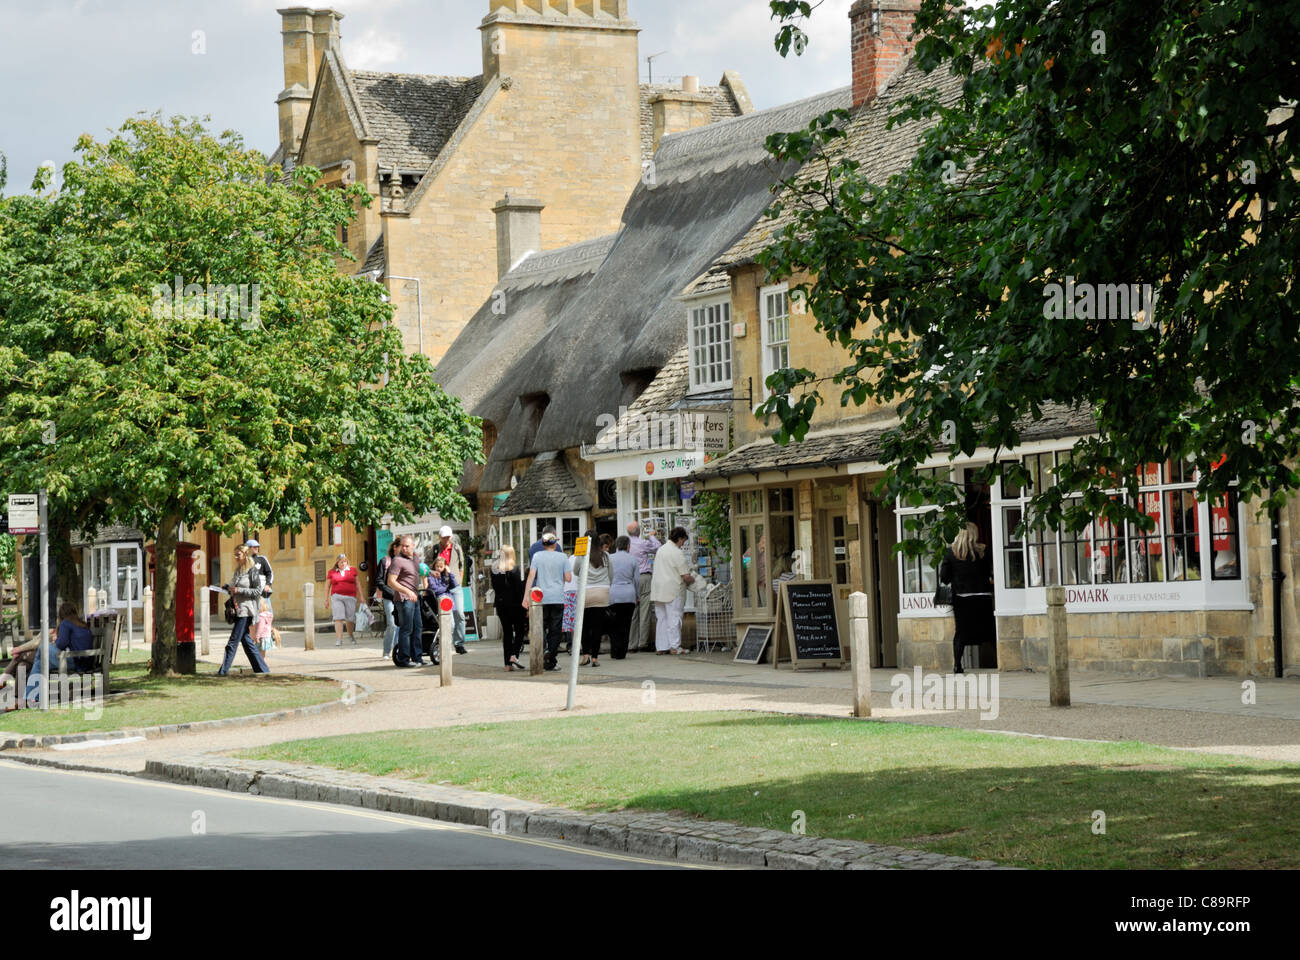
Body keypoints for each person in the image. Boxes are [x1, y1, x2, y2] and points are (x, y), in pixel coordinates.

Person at [4, 603, 95, 707]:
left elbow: (61, 644)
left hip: (75, 661)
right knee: (41, 662)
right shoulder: (82, 624)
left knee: (43, 647)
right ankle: (29, 699)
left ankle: (28, 697)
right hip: (85, 662)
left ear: (61, 615)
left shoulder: (66, 623)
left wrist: (55, 640)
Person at [938, 522, 995, 675]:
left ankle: (958, 665)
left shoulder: (951, 553)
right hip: (983, 596)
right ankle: (998, 661)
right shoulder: (984, 551)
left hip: (962, 598)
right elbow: (992, 572)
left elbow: (944, 578)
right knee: (989, 629)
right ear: (974, 534)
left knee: (961, 632)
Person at [218, 544, 271, 676]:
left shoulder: (252, 571)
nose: (235, 557)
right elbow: (233, 587)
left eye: (238, 554)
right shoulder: (238, 570)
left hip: (247, 610)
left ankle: (222, 672)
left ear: (245, 555)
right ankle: (263, 669)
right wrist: (227, 588)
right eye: (235, 554)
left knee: (232, 642)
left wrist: (239, 590)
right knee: (246, 642)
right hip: (238, 609)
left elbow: (258, 590)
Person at [523, 532, 571, 671]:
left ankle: (544, 651)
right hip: (557, 597)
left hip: (541, 597)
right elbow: (568, 578)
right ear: (555, 543)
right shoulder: (563, 557)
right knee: (555, 630)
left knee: (541, 627)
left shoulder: (537, 556)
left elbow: (531, 577)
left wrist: (526, 596)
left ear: (543, 544)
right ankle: (552, 657)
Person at [649, 527, 695, 656]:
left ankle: (661, 646)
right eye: (683, 541)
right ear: (680, 539)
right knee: (674, 618)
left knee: (662, 619)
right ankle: (675, 646)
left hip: (658, 589)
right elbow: (685, 575)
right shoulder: (677, 552)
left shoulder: (661, 550)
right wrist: (694, 580)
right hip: (673, 589)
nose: (683, 544)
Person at [387, 535, 427, 668]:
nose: (404, 548)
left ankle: (418, 658)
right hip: (403, 599)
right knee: (406, 629)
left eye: (407, 546)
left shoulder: (415, 557)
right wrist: (407, 591)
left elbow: (418, 573)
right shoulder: (397, 560)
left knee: (418, 628)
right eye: (402, 545)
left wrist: (431, 573)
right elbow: (391, 582)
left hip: (414, 599)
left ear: (413, 546)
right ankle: (404, 659)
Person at [573, 531, 611, 668]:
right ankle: (595, 658)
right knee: (597, 627)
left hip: (586, 592)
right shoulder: (605, 556)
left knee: (584, 626)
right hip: (602, 592)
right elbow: (611, 574)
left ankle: (586, 655)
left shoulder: (582, 555)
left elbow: (576, 571)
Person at [627, 521, 662, 653]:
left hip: (630, 578)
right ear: (639, 531)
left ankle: (632, 644)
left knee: (633, 613)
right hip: (643, 577)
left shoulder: (625, 544)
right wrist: (652, 535)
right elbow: (658, 547)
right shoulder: (642, 543)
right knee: (644, 611)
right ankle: (643, 642)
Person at [491, 546, 527, 672]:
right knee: (520, 631)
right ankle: (514, 655)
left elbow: (495, 587)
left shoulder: (494, 569)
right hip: (515, 605)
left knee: (507, 633)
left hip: (501, 605)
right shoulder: (514, 568)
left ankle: (507, 663)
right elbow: (518, 589)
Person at [434, 527, 469, 654]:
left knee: (459, 614)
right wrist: (433, 573)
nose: (447, 539)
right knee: (444, 615)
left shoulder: (456, 547)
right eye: (444, 537)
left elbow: (462, 563)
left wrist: (459, 578)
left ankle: (459, 643)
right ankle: (444, 642)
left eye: (449, 537)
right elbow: (427, 564)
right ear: (439, 537)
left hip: (455, 585)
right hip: (441, 586)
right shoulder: (435, 549)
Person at [428, 556, 469, 657]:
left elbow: (455, 585)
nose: (438, 568)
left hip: (450, 601)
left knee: (453, 623)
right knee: (450, 624)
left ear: (445, 567)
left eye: (441, 566)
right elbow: (435, 589)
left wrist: (450, 573)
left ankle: (452, 643)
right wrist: (445, 587)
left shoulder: (446, 575)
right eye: (437, 566)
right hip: (441, 601)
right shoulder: (431, 576)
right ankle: (445, 644)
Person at [607, 535, 639, 660]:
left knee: (613, 624)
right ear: (628, 546)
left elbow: (607, 577)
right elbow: (636, 579)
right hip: (628, 594)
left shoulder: (610, 558)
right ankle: (622, 652)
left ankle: (614, 650)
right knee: (626, 624)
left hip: (613, 593)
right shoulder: (632, 559)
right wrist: (637, 594)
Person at [373, 540, 400, 661]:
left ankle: (398, 649)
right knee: (392, 624)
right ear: (395, 547)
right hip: (389, 597)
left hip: (402, 597)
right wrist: (389, 591)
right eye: (402, 546)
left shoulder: (405, 561)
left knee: (402, 625)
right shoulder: (385, 561)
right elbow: (378, 580)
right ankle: (387, 650)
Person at [327, 553, 359, 647]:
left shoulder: (352, 570)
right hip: (337, 597)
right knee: (338, 618)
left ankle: (350, 635)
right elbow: (327, 586)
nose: (343, 563)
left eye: (345, 561)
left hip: (350, 596)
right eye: (341, 561)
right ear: (337, 563)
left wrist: (361, 596)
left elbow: (358, 584)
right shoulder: (332, 572)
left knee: (350, 618)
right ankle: (339, 639)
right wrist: (326, 599)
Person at [245, 539, 274, 607]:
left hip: (262, 592)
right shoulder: (244, 561)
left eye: (257, 546)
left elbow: (270, 573)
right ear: (248, 548)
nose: (257, 548)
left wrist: (268, 585)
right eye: (254, 547)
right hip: (249, 593)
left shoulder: (262, 559)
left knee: (266, 614)